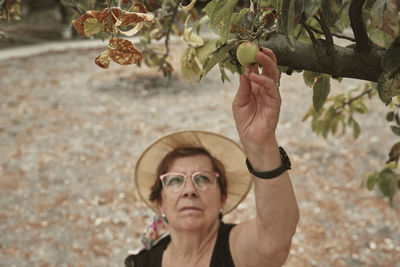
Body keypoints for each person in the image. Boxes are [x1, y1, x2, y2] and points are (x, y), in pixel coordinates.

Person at [125, 48, 300, 267]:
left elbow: (273, 241)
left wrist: (261, 144)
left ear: (223, 198)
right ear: (160, 202)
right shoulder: (141, 263)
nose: (190, 190)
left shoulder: (234, 249)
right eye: (175, 180)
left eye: (203, 178)